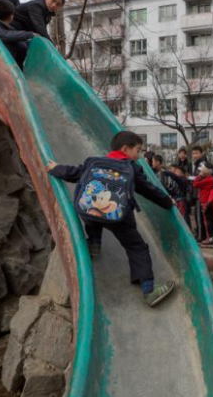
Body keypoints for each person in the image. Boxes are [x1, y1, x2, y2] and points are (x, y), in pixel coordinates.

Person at [45, 131, 175, 307]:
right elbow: (148, 190)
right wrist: (168, 202)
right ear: (125, 149)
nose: (140, 155)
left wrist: (56, 168)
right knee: (136, 247)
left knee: (93, 211)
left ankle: (95, 242)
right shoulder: (132, 167)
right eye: (138, 150)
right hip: (119, 218)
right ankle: (149, 290)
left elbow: (74, 173)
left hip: (91, 214)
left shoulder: (93, 162)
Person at [0, 0, 35, 69]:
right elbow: (4, 36)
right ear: (11, 16)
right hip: (2, 68)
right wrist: (29, 34)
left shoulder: (5, 27)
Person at [193, 161, 213, 246]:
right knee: (209, 219)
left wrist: (199, 176)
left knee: (207, 221)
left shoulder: (208, 179)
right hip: (206, 201)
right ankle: (212, 237)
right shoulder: (210, 179)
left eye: (201, 171)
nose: (200, 173)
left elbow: (195, 184)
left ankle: (210, 238)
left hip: (206, 202)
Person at [190, 146, 208, 240]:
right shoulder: (196, 164)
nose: (194, 155)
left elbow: (201, 178)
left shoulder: (202, 164)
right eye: (193, 153)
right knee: (198, 215)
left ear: (201, 153)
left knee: (199, 216)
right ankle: (201, 235)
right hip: (197, 192)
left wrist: (191, 178)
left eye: (196, 153)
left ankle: (201, 236)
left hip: (200, 193)